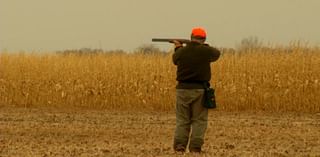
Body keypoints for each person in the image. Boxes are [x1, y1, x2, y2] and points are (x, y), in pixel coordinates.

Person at [172, 27, 220, 153]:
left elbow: (175, 60)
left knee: (183, 120)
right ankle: (195, 147)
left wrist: (178, 47)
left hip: (182, 89)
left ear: (191, 37)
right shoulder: (206, 51)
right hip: (200, 90)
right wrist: (204, 46)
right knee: (199, 120)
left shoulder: (182, 51)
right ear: (204, 39)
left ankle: (179, 146)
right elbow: (217, 54)